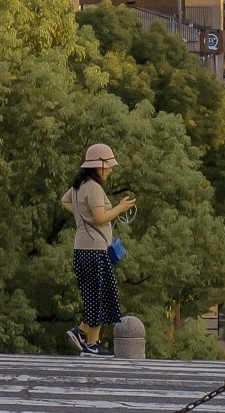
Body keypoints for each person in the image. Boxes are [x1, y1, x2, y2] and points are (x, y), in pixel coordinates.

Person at [61, 141, 135, 355]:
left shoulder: (79, 186)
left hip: (86, 249)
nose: (111, 170)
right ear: (99, 166)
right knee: (98, 296)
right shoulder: (93, 187)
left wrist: (80, 215)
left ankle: (92, 343)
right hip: (93, 250)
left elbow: (64, 201)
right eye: (109, 166)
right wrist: (120, 207)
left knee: (102, 295)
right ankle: (81, 332)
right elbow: (100, 217)